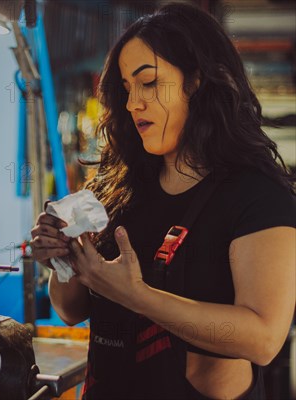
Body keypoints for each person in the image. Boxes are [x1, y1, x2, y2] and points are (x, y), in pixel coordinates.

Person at [30, 3, 295, 399]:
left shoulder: (257, 195)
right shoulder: (120, 184)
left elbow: (263, 339)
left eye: (149, 83)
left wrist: (138, 296)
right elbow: (71, 310)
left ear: (198, 82)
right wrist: (63, 260)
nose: (134, 101)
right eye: (126, 87)